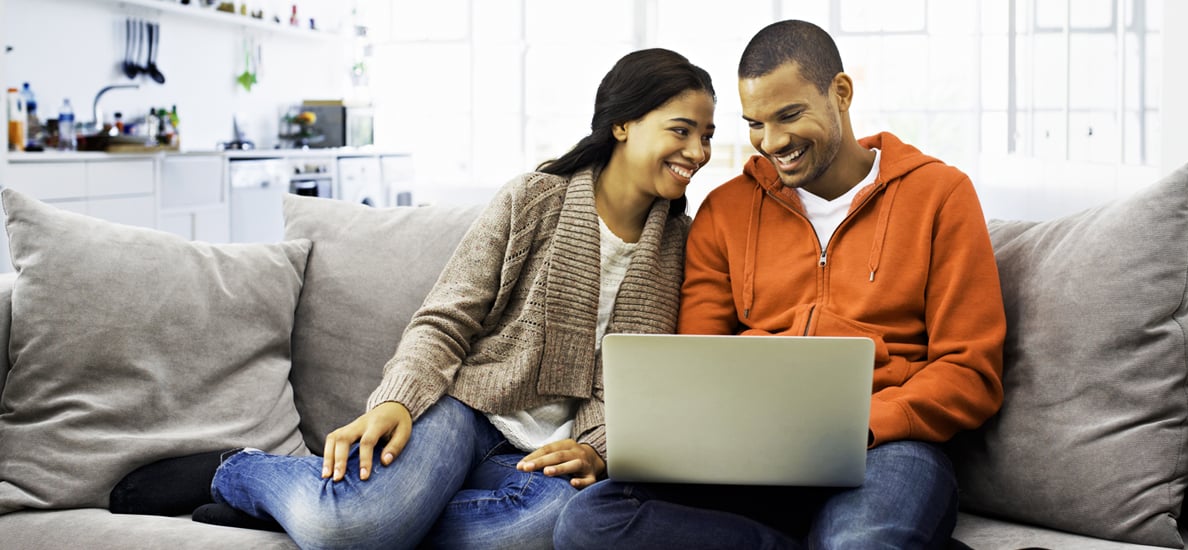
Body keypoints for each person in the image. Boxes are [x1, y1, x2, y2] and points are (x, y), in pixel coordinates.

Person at [107, 47, 716, 550]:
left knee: (547, 528)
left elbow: (637, 377)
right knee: (354, 524)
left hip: (550, 447)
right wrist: (398, 398)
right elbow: (446, 317)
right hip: (470, 409)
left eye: (707, 136)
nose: (698, 152)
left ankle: (309, 511)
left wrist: (595, 446)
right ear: (623, 123)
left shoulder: (681, 246)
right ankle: (239, 472)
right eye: (681, 131)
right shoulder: (535, 198)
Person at [554, 19, 1005, 550]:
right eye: (755, 123)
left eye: (789, 116)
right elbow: (695, 362)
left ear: (840, 92)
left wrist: (862, 425)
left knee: (860, 543)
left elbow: (969, 369)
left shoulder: (940, 195)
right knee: (588, 522)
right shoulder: (725, 211)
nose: (772, 143)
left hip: (884, 446)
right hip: (747, 452)